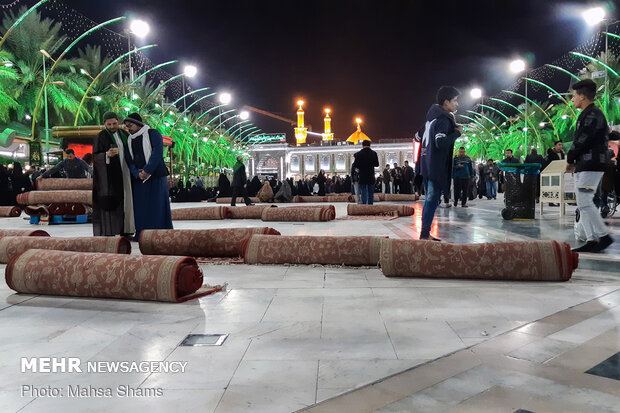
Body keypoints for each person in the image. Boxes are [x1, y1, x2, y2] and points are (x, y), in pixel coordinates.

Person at [567, 79, 613, 253]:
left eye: (574, 96)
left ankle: (603, 236)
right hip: (585, 164)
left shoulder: (593, 114)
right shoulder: (587, 114)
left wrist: (570, 158)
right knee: (582, 202)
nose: (572, 100)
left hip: (591, 165)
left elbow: (582, 140)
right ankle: (592, 239)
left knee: (585, 200)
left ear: (582, 96)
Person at [419, 86, 462, 240]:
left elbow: (418, 136)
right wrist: (457, 133)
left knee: (431, 200)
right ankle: (424, 235)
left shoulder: (431, 118)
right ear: (446, 102)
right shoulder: (443, 119)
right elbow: (441, 142)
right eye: (455, 101)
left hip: (427, 165)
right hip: (435, 167)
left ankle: (425, 234)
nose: (457, 104)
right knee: (431, 200)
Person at [122, 113, 172, 237]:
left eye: (130, 125)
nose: (129, 129)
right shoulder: (129, 139)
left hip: (156, 176)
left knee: (157, 206)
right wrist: (136, 173)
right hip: (138, 178)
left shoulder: (153, 134)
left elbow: (157, 153)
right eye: (127, 126)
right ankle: (143, 235)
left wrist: (147, 171)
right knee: (141, 208)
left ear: (138, 124)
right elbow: (129, 159)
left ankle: (159, 234)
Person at [92, 111, 135, 237]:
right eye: (109, 124)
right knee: (112, 204)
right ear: (104, 124)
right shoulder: (101, 137)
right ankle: (110, 230)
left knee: (127, 201)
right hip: (110, 177)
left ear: (118, 122)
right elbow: (95, 157)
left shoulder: (125, 134)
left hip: (126, 173)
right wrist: (106, 155)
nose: (112, 126)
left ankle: (127, 229)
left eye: (114, 123)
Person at [352, 140, 379, 204]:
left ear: (362, 145)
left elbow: (355, 165)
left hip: (362, 175)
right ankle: (370, 206)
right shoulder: (374, 153)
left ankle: (364, 207)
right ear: (370, 145)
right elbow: (377, 164)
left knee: (363, 192)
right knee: (370, 193)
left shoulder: (358, 154)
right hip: (371, 175)